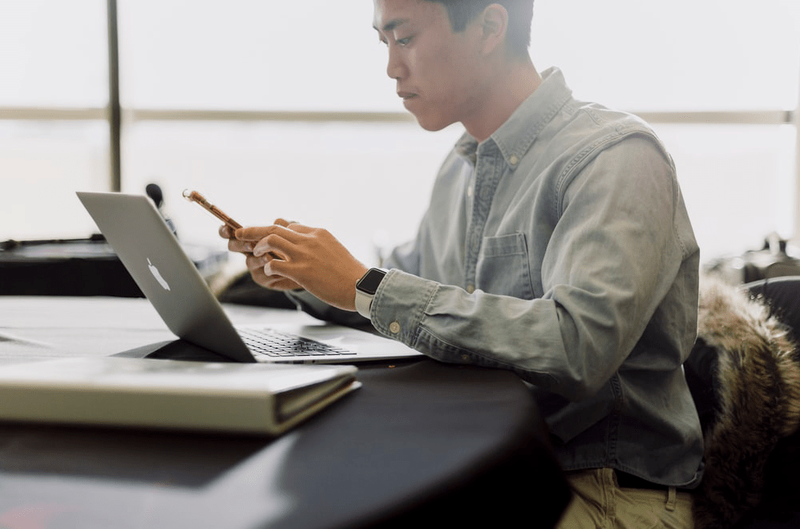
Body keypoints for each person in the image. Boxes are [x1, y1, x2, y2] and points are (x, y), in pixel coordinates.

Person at [222, 1, 704, 526]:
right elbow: (401, 295)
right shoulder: (460, 170)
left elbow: (578, 346)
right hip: (490, 465)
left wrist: (364, 285)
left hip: (598, 489)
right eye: (383, 44)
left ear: (490, 27)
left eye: (403, 38)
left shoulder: (614, 158)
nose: (390, 67)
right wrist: (306, 275)